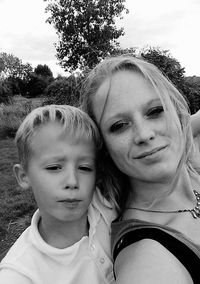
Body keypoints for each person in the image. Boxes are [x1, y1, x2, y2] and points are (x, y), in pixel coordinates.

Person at [81, 55, 200, 284]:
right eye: (119, 126)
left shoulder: (191, 167)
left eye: (155, 111)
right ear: (104, 148)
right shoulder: (147, 261)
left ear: (176, 112)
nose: (145, 135)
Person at [0, 105, 115, 284]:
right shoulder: (19, 275)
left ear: (98, 175)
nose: (72, 181)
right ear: (23, 176)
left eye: (85, 168)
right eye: (54, 168)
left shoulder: (106, 208)